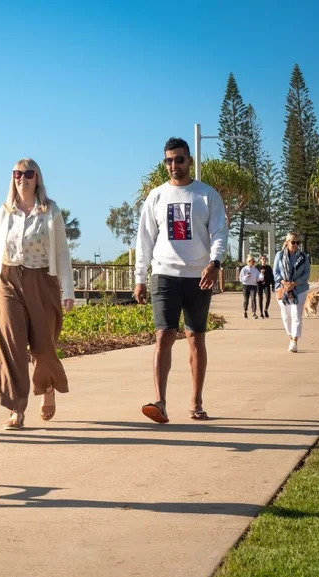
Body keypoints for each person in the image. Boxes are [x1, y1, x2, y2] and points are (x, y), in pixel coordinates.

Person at [134, 137, 227, 422]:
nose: (174, 165)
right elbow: (145, 239)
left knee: (195, 338)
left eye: (179, 159)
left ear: (190, 161)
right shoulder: (156, 196)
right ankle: (160, 402)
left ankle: (196, 403)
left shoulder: (206, 195)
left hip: (198, 276)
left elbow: (220, 233)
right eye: (169, 160)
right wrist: (140, 277)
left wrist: (215, 264)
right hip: (164, 275)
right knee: (163, 336)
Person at [0, 158, 74, 430]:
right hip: (6, 280)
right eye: (17, 174)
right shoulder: (3, 213)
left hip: (42, 279)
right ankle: (16, 409)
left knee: (44, 346)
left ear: (37, 178)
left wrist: (68, 290)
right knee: (11, 346)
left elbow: (62, 252)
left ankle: (47, 387)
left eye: (28, 173)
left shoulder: (50, 211)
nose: (23, 178)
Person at [273, 232, 311, 353]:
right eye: (293, 242)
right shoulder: (279, 255)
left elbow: (306, 274)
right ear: (287, 242)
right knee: (286, 316)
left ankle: (294, 341)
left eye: (297, 242)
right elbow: (276, 272)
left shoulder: (304, 257)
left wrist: (294, 283)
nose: (295, 245)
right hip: (282, 289)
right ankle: (290, 337)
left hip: (299, 289)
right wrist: (284, 283)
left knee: (296, 314)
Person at [239, 255, 259, 319]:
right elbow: (241, 279)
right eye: (251, 261)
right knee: (246, 299)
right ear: (248, 262)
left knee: (253, 299)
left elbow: (258, 277)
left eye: (253, 261)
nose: (252, 263)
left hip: (253, 285)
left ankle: (254, 313)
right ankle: (245, 312)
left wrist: (261, 276)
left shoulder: (255, 269)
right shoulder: (244, 269)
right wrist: (246, 277)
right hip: (246, 285)